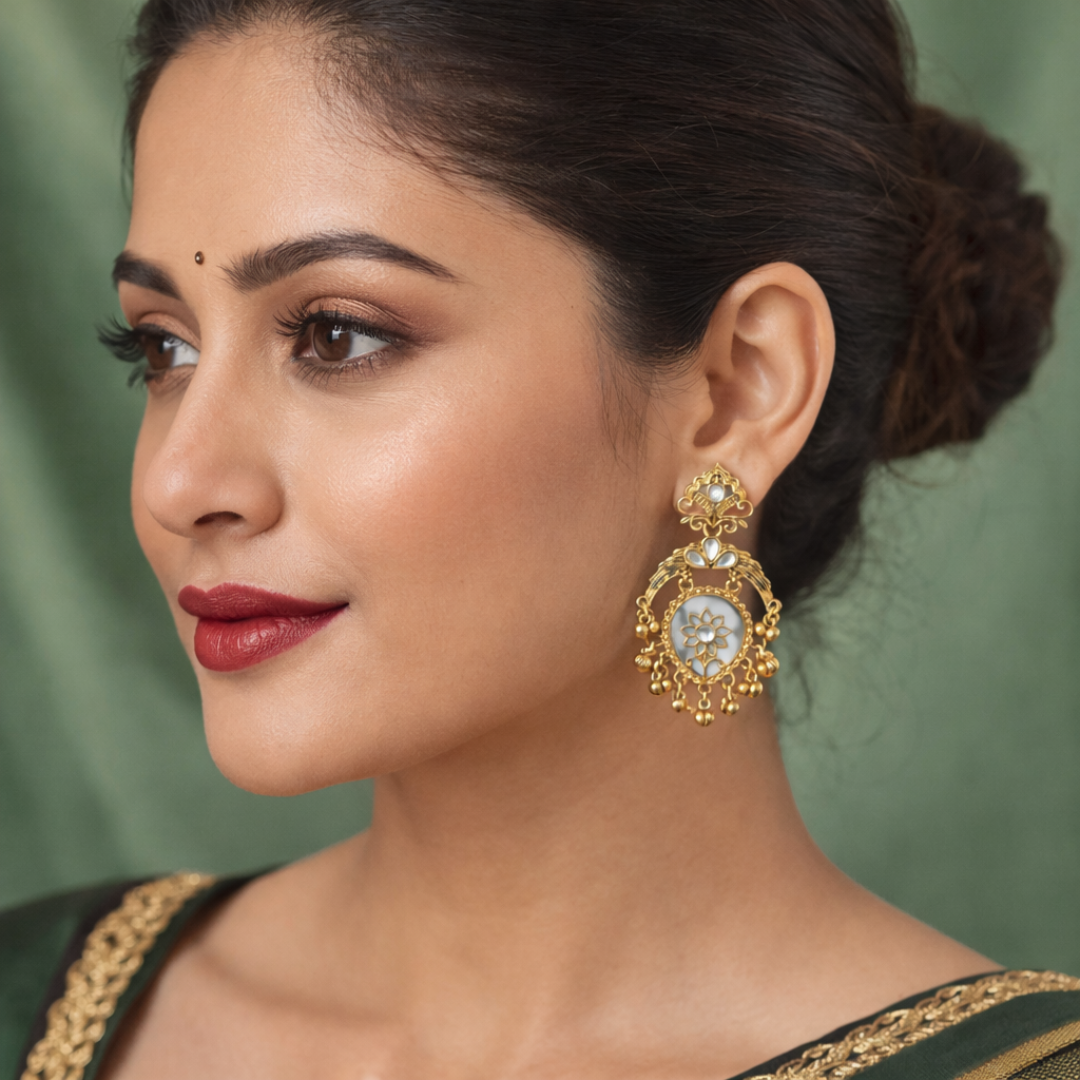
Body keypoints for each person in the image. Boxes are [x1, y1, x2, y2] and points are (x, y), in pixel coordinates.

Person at [1, 0, 1076, 1077]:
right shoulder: (30, 1009)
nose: (180, 480)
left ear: (737, 392)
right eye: (163, 347)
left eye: (338, 336)